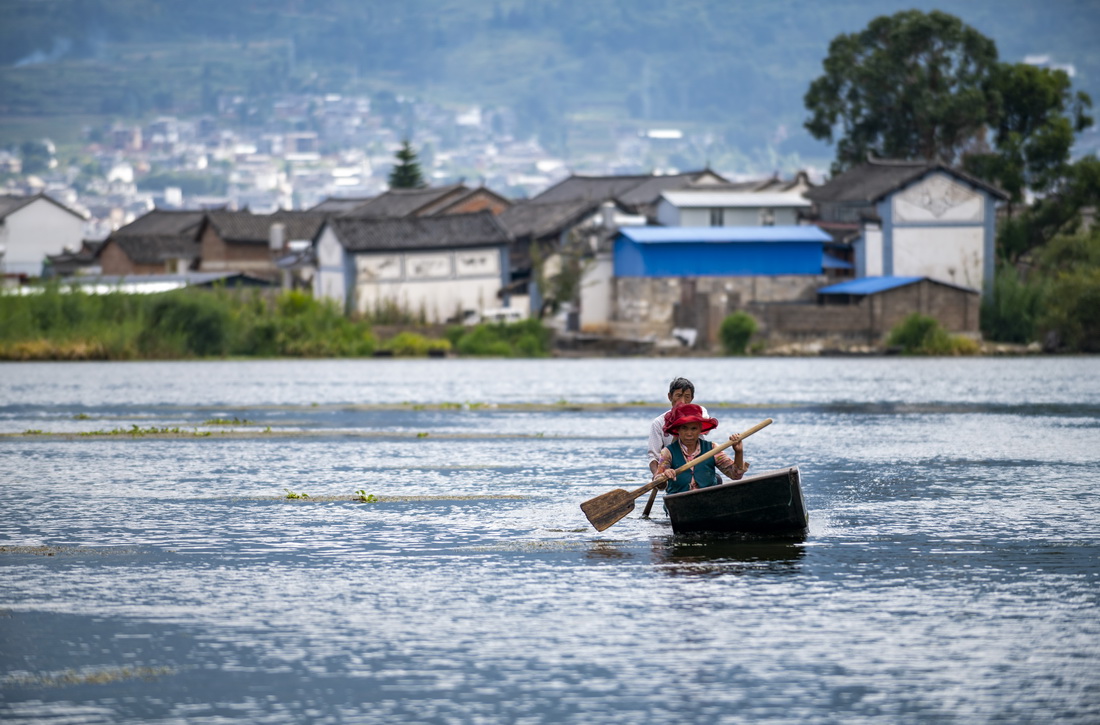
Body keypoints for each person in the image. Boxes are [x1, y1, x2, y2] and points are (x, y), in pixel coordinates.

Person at [651, 403, 749, 495]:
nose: (689, 433)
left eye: (693, 429)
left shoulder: (712, 449)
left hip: (709, 499)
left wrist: (738, 452)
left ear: (700, 429)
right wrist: (664, 476)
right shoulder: (668, 452)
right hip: (678, 501)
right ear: (678, 430)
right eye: (684, 428)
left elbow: (736, 475)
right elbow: (659, 485)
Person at [648, 377, 709, 476]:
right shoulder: (658, 423)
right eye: (678, 396)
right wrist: (657, 475)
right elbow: (653, 456)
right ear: (670, 397)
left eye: (687, 397)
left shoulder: (700, 412)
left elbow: (706, 431)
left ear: (692, 399)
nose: (682, 402)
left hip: (699, 467)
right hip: (673, 472)